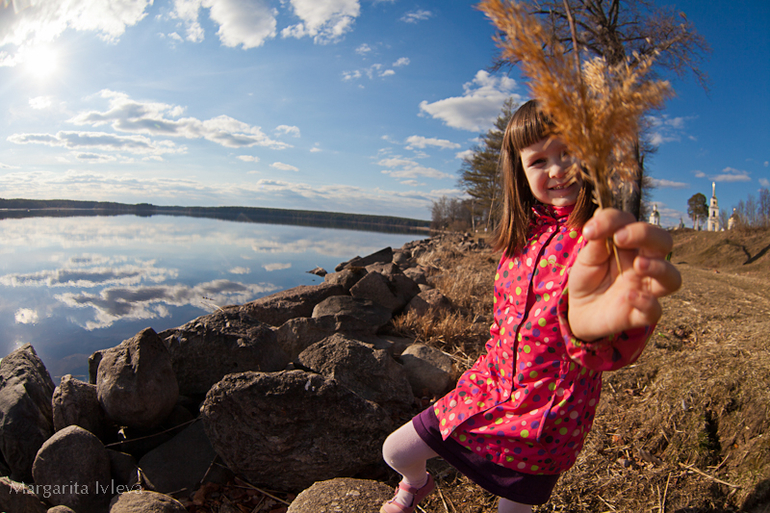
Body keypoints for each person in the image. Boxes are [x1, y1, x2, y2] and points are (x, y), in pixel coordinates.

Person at [380, 99, 682, 513]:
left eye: (569, 153)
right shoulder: (519, 241)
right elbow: (503, 323)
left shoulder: (602, 243)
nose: (557, 169)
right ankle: (415, 485)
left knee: (513, 509)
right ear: (519, 171)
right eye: (539, 160)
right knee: (396, 451)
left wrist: (592, 332)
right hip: (487, 388)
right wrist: (481, 370)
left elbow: (608, 339)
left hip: (546, 417)